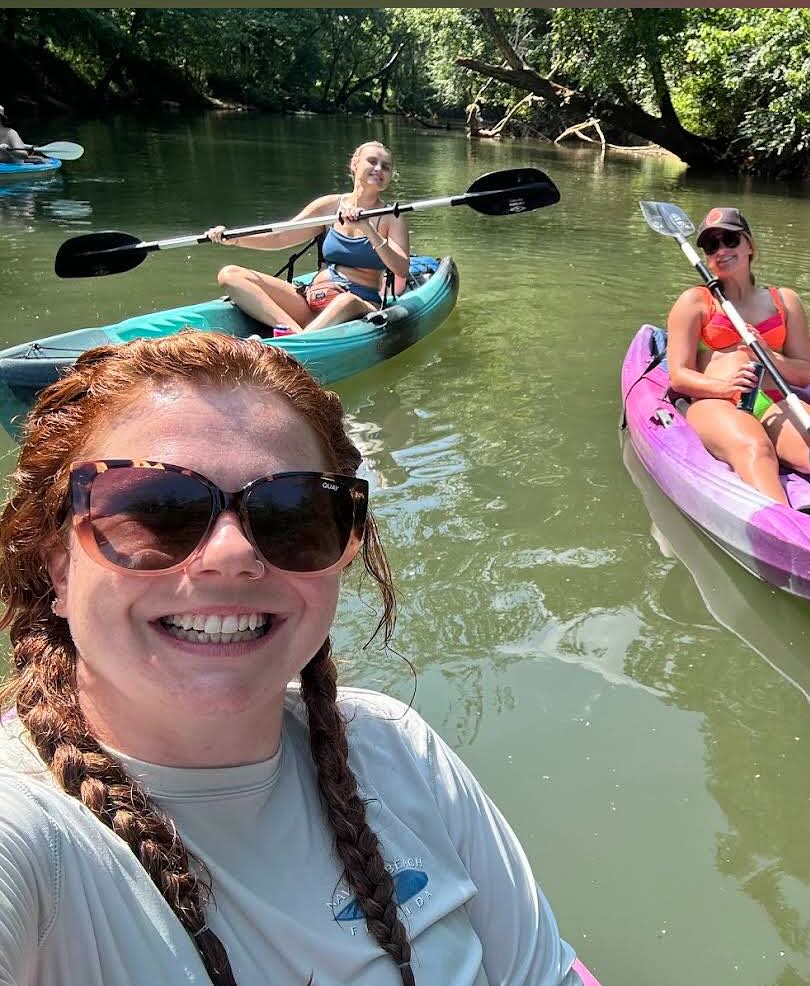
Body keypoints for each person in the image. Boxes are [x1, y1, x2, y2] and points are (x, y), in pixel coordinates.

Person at [0, 333, 584, 985]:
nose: (232, 553)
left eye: (290, 514)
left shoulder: (397, 753)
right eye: (154, 509)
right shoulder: (23, 831)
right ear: (57, 565)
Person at [664, 207, 810, 507]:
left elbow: (803, 373)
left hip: (770, 399)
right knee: (756, 448)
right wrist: (725, 387)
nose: (721, 250)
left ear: (750, 245)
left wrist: (767, 353)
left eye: (730, 239)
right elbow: (678, 376)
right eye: (711, 245)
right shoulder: (695, 302)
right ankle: (783, 530)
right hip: (713, 401)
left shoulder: (785, 301)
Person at [206, 140, 410, 337]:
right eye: (372, 161)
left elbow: (400, 268)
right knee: (230, 274)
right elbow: (280, 237)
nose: (379, 169)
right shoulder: (328, 206)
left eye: (386, 166)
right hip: (313, 297)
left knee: (346, 301)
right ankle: (292, 332)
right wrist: (234, 238)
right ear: (355, 164)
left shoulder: (392, 217)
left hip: (357, 304)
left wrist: (367, 228)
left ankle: (294, 342)